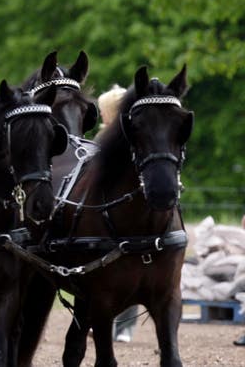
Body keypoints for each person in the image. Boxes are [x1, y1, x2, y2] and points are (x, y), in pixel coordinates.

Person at [97, 83, 139, 342]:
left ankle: (124, 327)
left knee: (129, 270)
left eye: (103, 110)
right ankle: (105, 322)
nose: (100, 114)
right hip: (105, 213)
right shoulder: (101, 137)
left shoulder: (125, 139)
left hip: (122, 212)